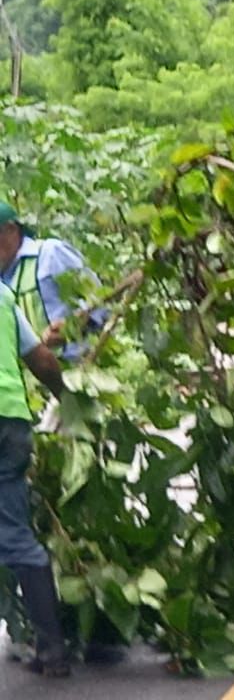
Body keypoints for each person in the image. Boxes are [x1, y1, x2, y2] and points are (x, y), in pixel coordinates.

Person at [0, 280, 70, 677]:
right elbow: (40, 359)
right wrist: (68, 399)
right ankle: (53, 650)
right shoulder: (3, 294)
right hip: (10, 422)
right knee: (16, 534)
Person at [0, 201, 106, 363]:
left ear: (11, 230)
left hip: (80, 367)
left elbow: (102, 301)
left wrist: (73, 326)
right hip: (32, 380)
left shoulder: (50, 254)